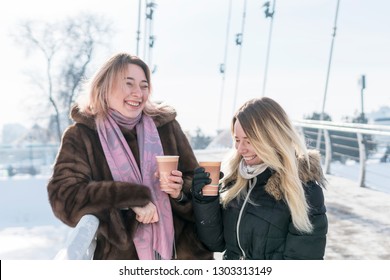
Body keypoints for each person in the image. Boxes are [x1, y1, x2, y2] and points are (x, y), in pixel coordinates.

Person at [47, 52, 212, 260]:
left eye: (144, 86)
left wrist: (179, 191)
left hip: (181, 253)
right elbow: (64, 196)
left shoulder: (166, 127)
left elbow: (196, 183)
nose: (138, 93)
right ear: (105, 87)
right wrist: (130, 198)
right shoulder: (82, 135)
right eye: (129, 84)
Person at [191, 97, 328, 260]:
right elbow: (215, 243)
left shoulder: (304, 190)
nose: (240, 149)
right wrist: (205, 200)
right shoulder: (235, 180)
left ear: (272, 138)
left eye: (248, 141)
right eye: (237, 140)